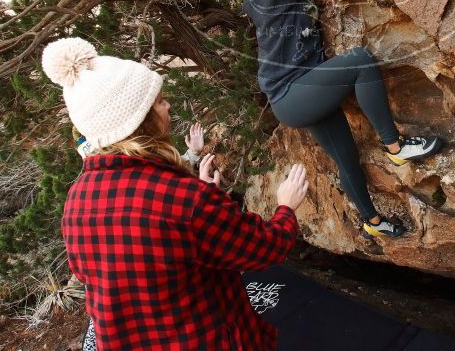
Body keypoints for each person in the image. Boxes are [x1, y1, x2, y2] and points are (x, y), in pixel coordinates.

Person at [223, 0, 443, 240]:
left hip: (303, 92)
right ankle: (396, 147)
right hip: (292, 94)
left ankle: (371, 222)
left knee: (347, 158)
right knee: (359, 60)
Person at [42, 36, 309, 350]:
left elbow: (98, 272)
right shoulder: (185, 199)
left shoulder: (77, 200)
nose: (167, 105)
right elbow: (264, 249)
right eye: (158, 101)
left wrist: (206, 198)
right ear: (139, 120)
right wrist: (286, 207)